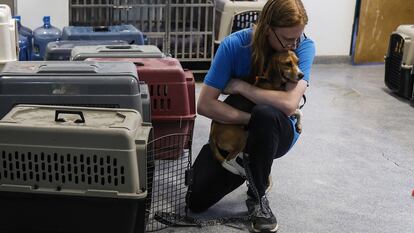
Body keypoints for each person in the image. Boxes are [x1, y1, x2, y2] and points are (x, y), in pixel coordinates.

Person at [186, 0, 315, 232]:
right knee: (195, 201)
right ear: (267, 29)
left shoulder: (304, 47)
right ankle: (250, 164)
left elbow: (288, 105)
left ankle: (258, 196)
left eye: (298, 37)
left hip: (278, 130)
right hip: (239, 131)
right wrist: (248, 121)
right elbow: (204, 105)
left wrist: (240, 87)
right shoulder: (234, 46)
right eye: (288, 39)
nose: (294, 44)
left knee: (265, 114)